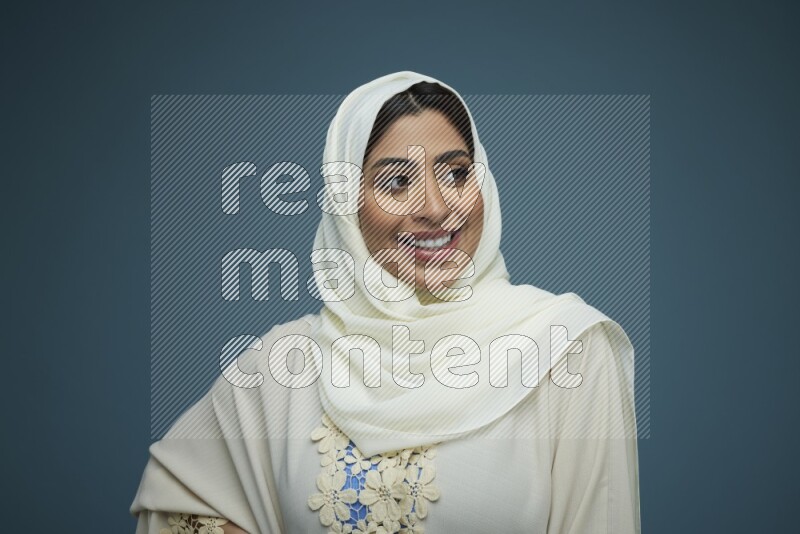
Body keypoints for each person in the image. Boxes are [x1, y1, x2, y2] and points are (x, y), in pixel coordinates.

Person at [131, 71, 640, 533]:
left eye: (456, 173)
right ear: (347, 205)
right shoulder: (286, 367)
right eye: (397, 182)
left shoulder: (566, 349)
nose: (436, 208)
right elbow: (177, 500)